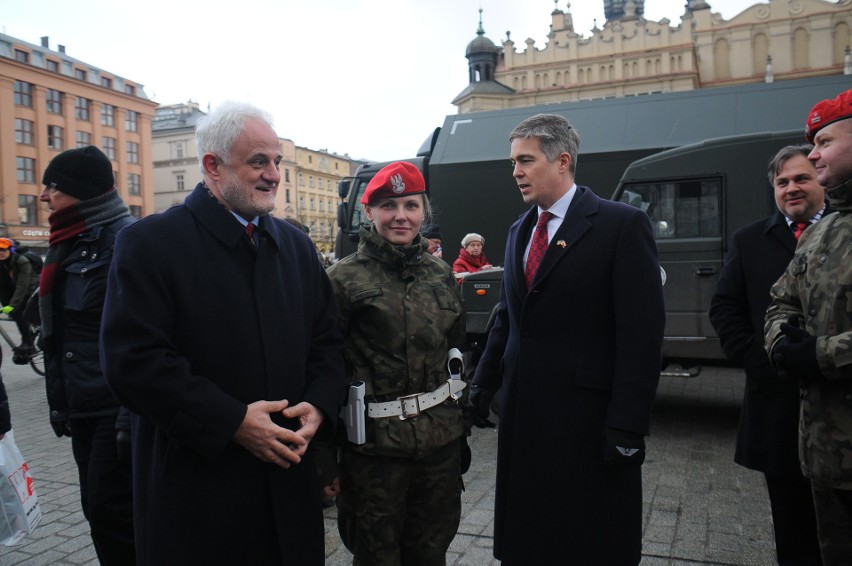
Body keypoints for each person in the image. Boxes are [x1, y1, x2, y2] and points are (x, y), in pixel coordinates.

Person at [99, 101, 346, 565]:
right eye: (258, 161)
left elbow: (326, 342)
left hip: (288, 486)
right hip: (198, 490)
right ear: (212, 165)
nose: (274, 174)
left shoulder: (294, 246)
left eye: (277, 161)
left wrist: (320, 403)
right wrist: (231, 421)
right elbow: (133, 362)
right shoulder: (150, 244)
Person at [469, 113, 664, 565]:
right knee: (530, 541)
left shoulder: (621, 225)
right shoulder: (521, 228)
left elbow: (642, 336)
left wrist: (628, 425)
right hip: (524, 421)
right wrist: (484, 380)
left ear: (562, 161)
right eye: (512, 162)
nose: (515, 171)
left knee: (588, 543)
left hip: (588, 425)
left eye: (525, 160)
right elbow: (509, 315)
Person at [321, 161, 469, 565]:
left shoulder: (441, 274)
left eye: (410, 205)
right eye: (388, 205)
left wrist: (462, 434)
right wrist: (324, 459)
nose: (400, 216)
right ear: (369, 212)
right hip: (374, 454)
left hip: (439, 449)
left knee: (430, 552)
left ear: (424, 211)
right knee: (376, 557)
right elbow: (323, 369)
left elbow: (455, 358)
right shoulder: (340, 280)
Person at [710, 145, 825, 565]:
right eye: (782, 182)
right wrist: (762, 363)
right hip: (779, 407)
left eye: (801, 178)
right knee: (792, 527)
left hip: (840, 405)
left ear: (821, 180)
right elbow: (724, 309)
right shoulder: (750, 240)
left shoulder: (842, 231)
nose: (791, 188)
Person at [765, 89, 852, 565]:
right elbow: (781, 300)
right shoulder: (825, 229)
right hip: (823, 456)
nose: (814, 153)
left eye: (824, 141)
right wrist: (781, 343)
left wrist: (818, 355)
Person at [38, 145, 136, 564]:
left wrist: (128, 415)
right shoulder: (68, 241)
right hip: (82, 404)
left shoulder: (125, 241)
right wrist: (60, 403)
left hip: (113, 408)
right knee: (99, 513)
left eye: (53, 187)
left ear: (80, 193)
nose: (43, 196)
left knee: (112, 514)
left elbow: (143, 334)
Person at [0, 238, 39, 355]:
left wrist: (12, 305)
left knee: (19, 312)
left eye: (3, 250)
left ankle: (27, 342)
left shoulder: (22, 261)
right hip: (10, 289)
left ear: (10, 250)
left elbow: (22, 285)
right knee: (13, 312)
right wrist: (7, 305)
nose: (0, 253)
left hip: (28, 288)